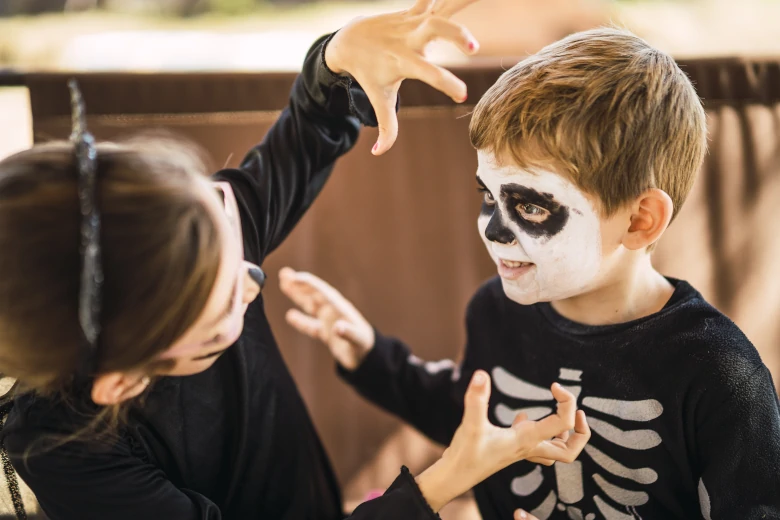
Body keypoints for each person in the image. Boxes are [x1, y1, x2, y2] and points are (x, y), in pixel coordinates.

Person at [0, 2, 592, 519]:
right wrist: (442, 483)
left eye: (227, 222)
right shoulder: (65, 448)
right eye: (225, 304)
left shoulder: (188, 243)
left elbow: (306, 133)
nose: (252, 280)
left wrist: (339, 61)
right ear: (123, 379)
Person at [279, 27, 780, 520]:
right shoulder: (495, 311)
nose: (494, 232)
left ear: (639, 219)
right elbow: (470, 424)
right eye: (488, 196)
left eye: (531, 206)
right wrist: (370, 355)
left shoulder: (720, 373)